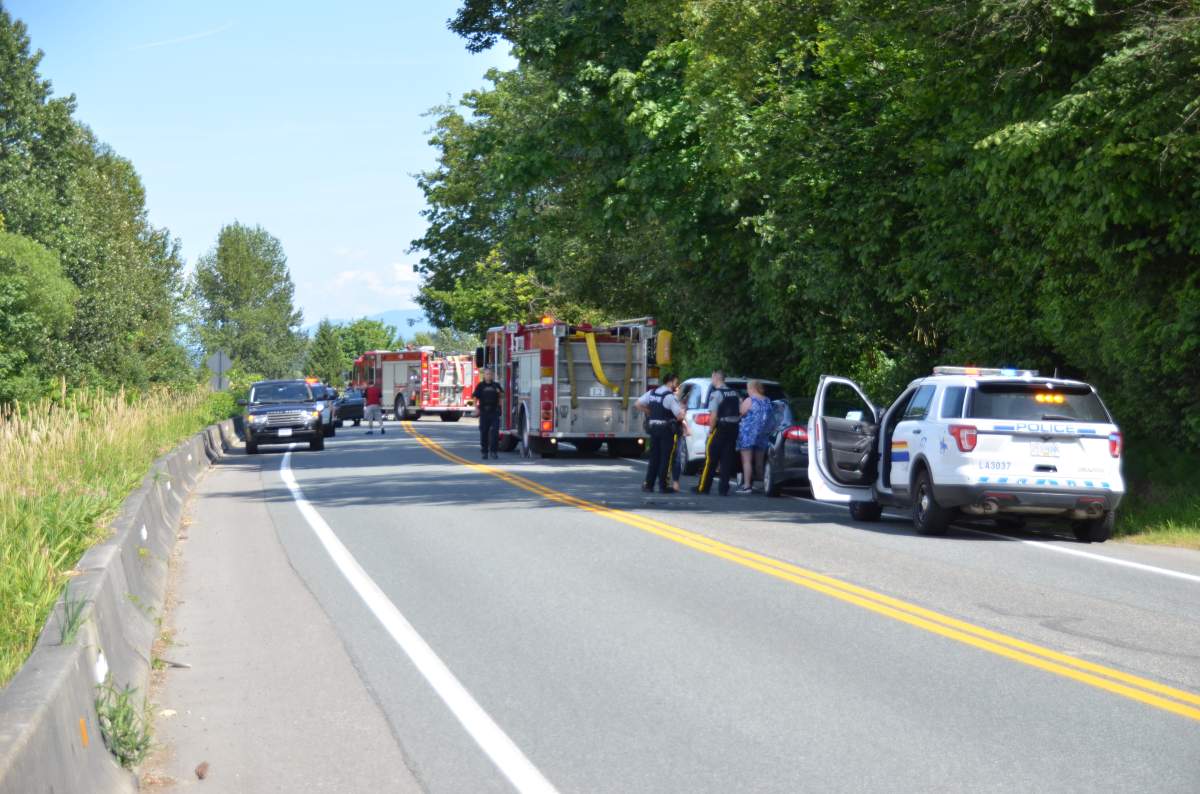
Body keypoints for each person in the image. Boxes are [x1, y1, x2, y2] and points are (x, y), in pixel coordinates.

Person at [636, 373, 685, 493]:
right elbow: (679, 415)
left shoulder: (652, 393)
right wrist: (683, 409)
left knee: (654, 458)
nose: (676, 385)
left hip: (653, 428)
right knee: (665, 458)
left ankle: (649, 484)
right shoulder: (669, 396)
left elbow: (637, 404)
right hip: (665, 430)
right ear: (671, 382)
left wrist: (649, 412)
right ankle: (663, 485)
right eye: (676, 382)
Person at [695, 370, 741, 495]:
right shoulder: (734, 393)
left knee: (711, 458)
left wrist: (710, 430)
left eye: (712, 378)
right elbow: (741, 410)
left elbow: (713, 415)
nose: (712, 380)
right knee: (727, 459)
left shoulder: (716, 394)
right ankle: (723, 489)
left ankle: (703, 487)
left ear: (716, 377)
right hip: (733, 428)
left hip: (720, 428)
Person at [735, 380, 772, 494]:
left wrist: (740, 402)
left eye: (748, 388)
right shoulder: (767, 400)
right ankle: (761, 484)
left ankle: (747, 486)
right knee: (759, 461)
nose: (747, 391)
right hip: (762, 434)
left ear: (752, 388)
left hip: (747, 434)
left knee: (747, 461)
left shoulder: (750, 400)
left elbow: (741, 412)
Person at [474, 367, 503, 459]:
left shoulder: (496, 386)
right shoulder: (480, 386)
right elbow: (475, 397)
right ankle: (484, 451)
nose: (488, 376)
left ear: (492, 375)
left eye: (490, 374)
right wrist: (476, 408)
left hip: (494, 412)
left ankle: (494, 451)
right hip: (484, 412)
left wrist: (500, 407)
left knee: (495, 432)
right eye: (487, 374)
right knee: (484, 432)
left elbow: (501, 397)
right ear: (484, 375)